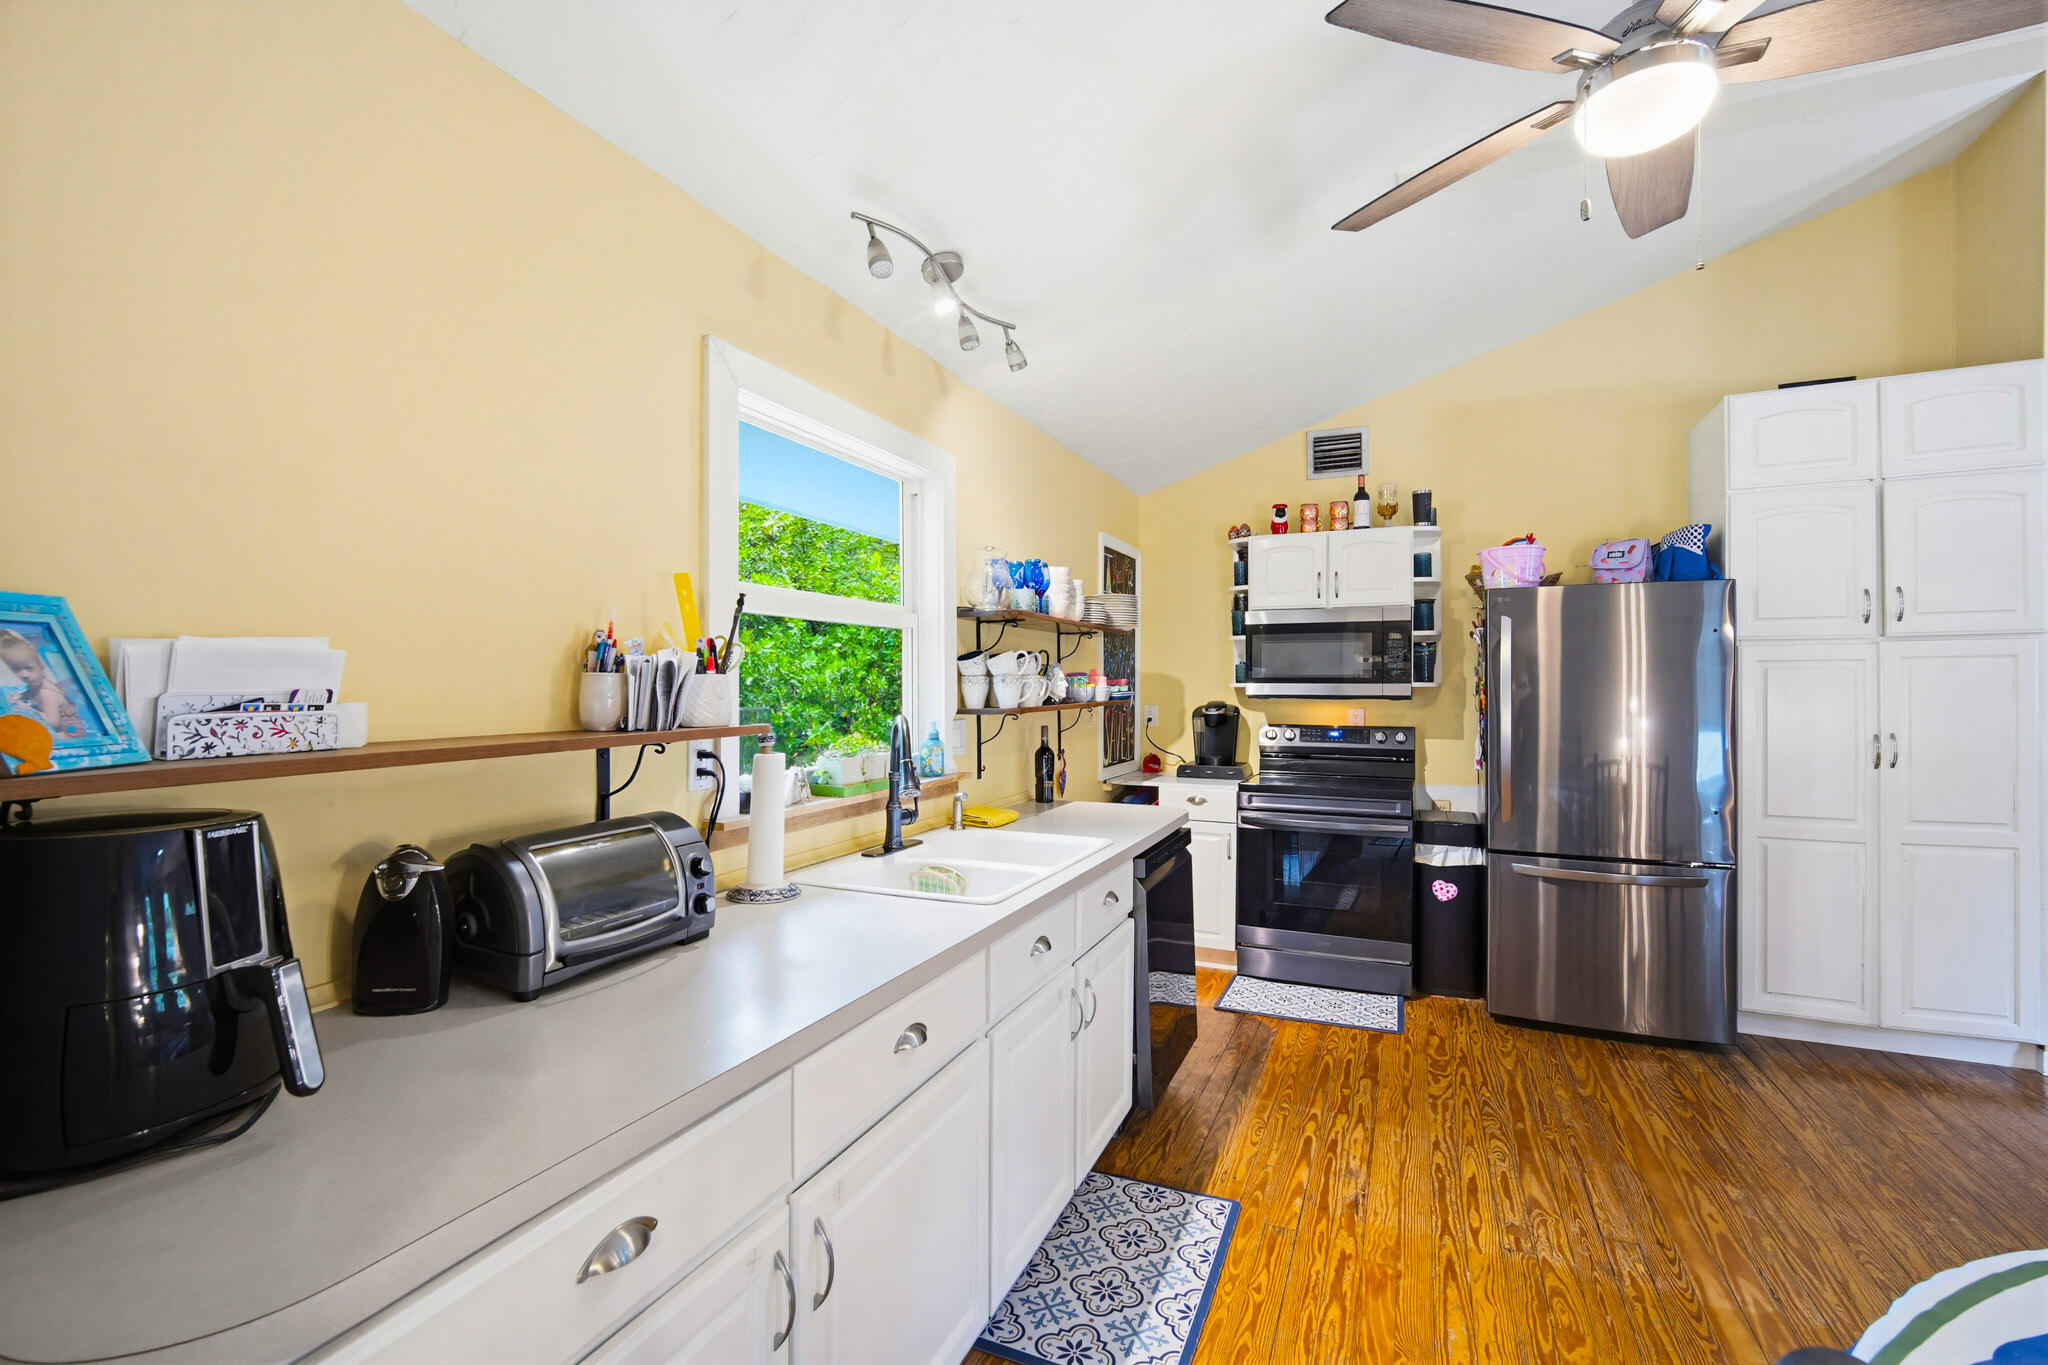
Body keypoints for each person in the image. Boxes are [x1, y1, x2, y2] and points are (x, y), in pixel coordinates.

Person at [0, 629, 88, 737]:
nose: (24, 674)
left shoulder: (46, 693)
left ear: (41, 667)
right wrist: (21, 696)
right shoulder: (35, 684)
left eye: (29, 668)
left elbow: (53, 722)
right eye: (17, 670)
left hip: (70, 732)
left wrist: (28, 709)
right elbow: (31, 694)